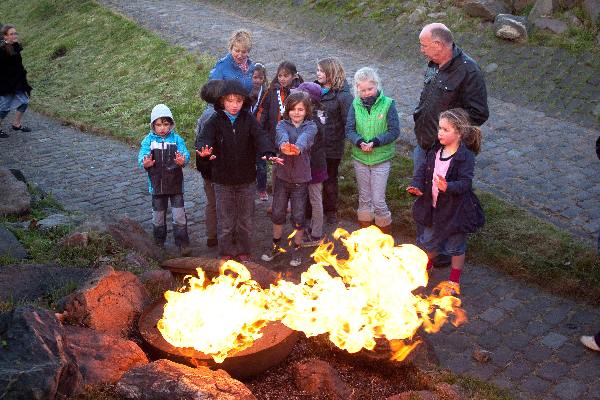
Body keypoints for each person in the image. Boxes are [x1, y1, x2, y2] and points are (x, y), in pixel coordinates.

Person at [413, 22, 489, 268]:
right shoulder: (434, 64)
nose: (422, 50)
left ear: (438, 44)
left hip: (444, 151)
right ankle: (426, 247)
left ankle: (445, 252)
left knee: (446, 201)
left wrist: (451, 133)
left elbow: (479, 113)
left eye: (424, 45)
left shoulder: (469, 71)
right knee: (424, 198)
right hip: (424, 145)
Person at [197, 80, 279, 262]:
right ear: (221, 102)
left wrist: (267, 151)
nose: (234, 105)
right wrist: (204, 150)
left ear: (244, 102)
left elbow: (261, 136)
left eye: (238, 101)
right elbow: (204, 139)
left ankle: (244, 251)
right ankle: (225, 252)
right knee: (225, 220)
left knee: (245, 219)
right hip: (222, 180)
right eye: (230, 101)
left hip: (246, 179)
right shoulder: (214, 121)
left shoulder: (248, 119)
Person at [407, 108, 485, 288]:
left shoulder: (465, 157)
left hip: (456, 212)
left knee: (455, 246)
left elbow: (466, 183)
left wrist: (448, 187)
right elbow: (422, 172)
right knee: (429, 242)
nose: (439, 133)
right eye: (439, 128)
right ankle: (425, 267)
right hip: (434, 209)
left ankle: (454, 281)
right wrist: (417, 186)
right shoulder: (435, 151)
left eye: (445, 129)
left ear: (459, 133)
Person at [261, 92, 317, 267]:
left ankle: (297, 247)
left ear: (306, 110)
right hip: (282, 178)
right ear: (287, 110)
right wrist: (285, 146)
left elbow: (304, 139)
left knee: (299, 215)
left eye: (300, 109)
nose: (296, 113)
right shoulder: (281, 125)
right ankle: (276, 245)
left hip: (301, 179)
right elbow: (281, 137)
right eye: (293, 109)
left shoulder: (311, 126)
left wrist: (297, 148)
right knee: (277, 212)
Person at [346, 67, 400, 234]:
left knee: (378, 200)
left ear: (377, 86)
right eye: (362, 90)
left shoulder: (388, 104)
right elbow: (349, 129)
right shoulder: (355, 104)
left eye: (370, 89)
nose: (367, 93)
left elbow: (394, 131)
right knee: (364, 198)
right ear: (357, 89)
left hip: (380, 158)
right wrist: (359, 141)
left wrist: (376, 142)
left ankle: (385, 235)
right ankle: (366, 235)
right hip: (360, 157)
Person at [138, 104, 191, 255]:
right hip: (157, 186)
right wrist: (145, 162)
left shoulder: (176, 140)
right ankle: (158, 242)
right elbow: (142, 155)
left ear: (171, 124)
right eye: (159, 124)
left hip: (175, 186)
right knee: (158, 217)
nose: (162, 128)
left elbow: (185, 155)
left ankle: (183, 243)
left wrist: (183, 160)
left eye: (166, 124)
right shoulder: (148, 141)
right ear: (153, 125)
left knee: (179, 217)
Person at [315, 57, 353, 224]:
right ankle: (312, 209)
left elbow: (348, 122)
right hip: (315, 144)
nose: (318, 74)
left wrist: (341, 140)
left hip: (332, 145)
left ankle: (331, 211)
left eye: (321, 71)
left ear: (331, 73)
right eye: (317, 70)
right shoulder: (315, 89)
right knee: (314, 178)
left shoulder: (343, 96)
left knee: (330, 178)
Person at [292, 82, 328, 246]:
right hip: (309, 165)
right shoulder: (313, 117)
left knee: (315, 198)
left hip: (314, 166)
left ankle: (317, 234)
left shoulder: (313, 122)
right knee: (309, 198)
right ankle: (310, 228)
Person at [194, 80, 225, 248]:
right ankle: (217, 233)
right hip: (213, 167)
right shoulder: (213, 116)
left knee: (211, 202)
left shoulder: (205, 113)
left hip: (206, 168)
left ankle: (211, 235)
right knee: (217, 202)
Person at [0, 24, 33, 138]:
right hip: (6, 84)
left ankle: (16, 124)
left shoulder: (15, 46)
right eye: (11, 34)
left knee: (24, 102)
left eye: (15, 33)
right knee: (4, 108)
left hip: (18, 82)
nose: (14, 35)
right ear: (5, 36)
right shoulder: (2, 51)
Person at [209, 29, 255, 94]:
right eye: (237, 51)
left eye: (244, 52)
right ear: (231, 49)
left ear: (248, 51)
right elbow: (212, 92)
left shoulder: (252, 67)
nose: (240, 55)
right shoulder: (221, 66)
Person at [250, 63, 270, 201]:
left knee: (262, 165)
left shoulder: (266, 93)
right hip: (246, 135)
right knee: (247, 163)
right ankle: (249, 187)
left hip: (261, 135)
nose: (257, 80)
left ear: (264, 79)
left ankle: (262, 188)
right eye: (254, 77)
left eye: (260, 78)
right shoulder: (246, 91)